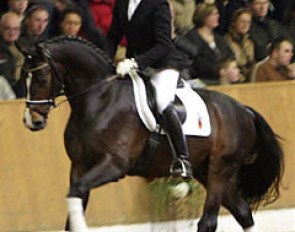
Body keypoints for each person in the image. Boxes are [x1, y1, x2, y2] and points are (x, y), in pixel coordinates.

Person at [107, 0, 193, 178]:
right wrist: (104, 64)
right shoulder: (122, 4)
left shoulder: (158, 4)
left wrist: (136, 62)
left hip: (162, 65)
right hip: (134, 64)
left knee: (162, 101)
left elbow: (164, 45)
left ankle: (182, 158)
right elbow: (113, 37)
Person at [175, 3, 233, 85]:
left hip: (224, 77)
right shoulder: (191, 37)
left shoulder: (219, 38)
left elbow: (230, 54)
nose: (218, 16)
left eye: (217, 13)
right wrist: (218, 70)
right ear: (203, 16)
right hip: (203, 79)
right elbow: (197, 62)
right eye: (214, 14)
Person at [224, 8, 255, 81]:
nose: (245, 25)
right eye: (243, 21)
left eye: (248, 22)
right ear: (234, 22)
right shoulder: (226, 41)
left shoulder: (249, 43)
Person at [0, 11, 23, 92]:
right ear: (1, 28)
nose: (12, 32)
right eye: (7, 28)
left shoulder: (24, 47)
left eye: (16, 29)